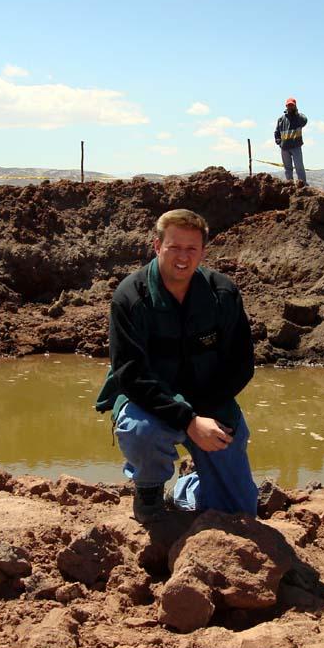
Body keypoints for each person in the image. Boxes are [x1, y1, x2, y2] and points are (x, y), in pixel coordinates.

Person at [95, 209, 257, 523]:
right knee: (141, 430)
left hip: (209, 401)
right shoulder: (130, 297)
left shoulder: (222, 293)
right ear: (157, 247)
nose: (182, 257)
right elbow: (131, 374)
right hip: (150, 403)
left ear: (203, 252)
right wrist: (187, 419)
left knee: (240, 511)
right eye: (174, 247)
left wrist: (202, 414)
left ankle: (187, 488)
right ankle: (150, 489)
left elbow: (242, 365)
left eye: (191, 249)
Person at [274, 98, 308, 184]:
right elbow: (277, 131)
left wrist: (297, 113)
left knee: (299, 166)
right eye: (289, 105)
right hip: (284, 147)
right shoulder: (281, 119)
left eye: (292, 105)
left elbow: (304, 121)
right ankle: (290, 184)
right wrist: (278, 141)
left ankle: (302, 184)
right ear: (286, 106)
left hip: (296, 146)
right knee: (287, 168)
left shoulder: (299, 117)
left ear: (295, 106)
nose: (290, 107)